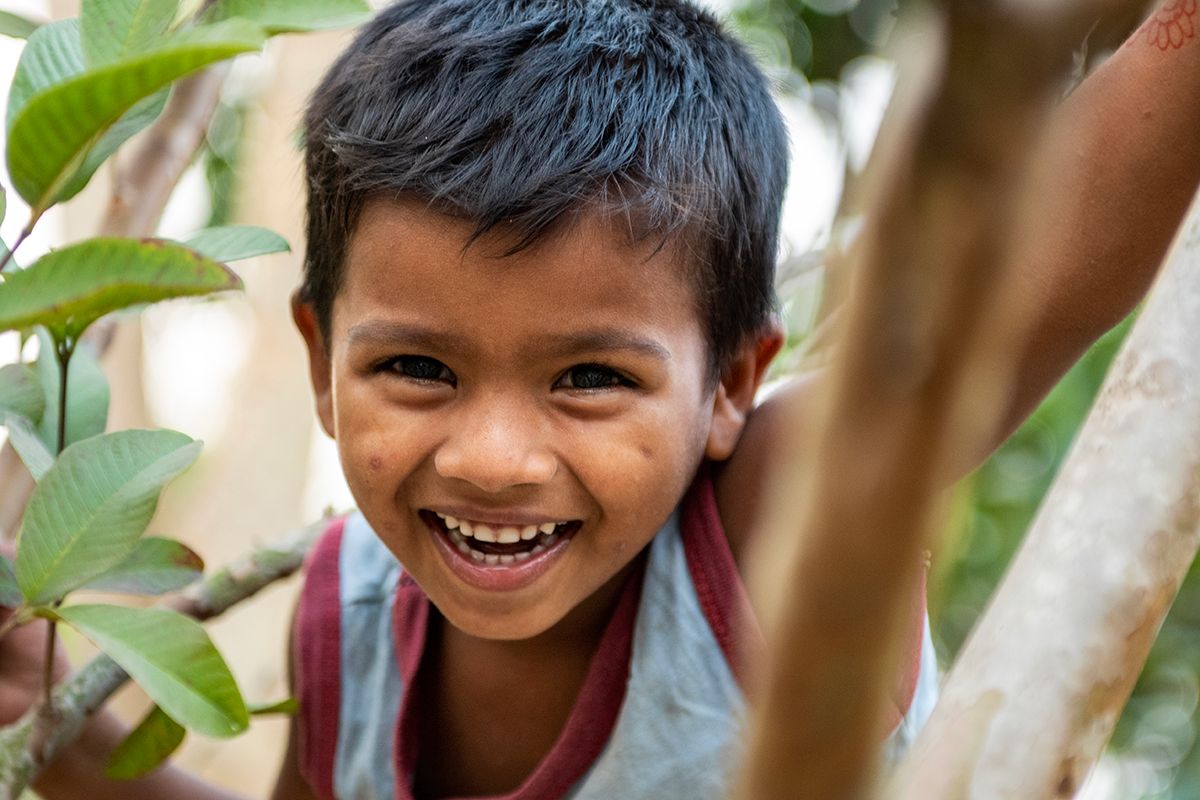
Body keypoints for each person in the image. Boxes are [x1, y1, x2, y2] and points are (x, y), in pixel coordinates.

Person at [9, 0, 1200, 798]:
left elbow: (1066, 240)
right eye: (418, 368)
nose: (493, 457)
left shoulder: (772, 516)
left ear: (731, 381)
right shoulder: (349, 615)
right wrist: (57, 728)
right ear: (320, 362)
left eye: (591, 378)